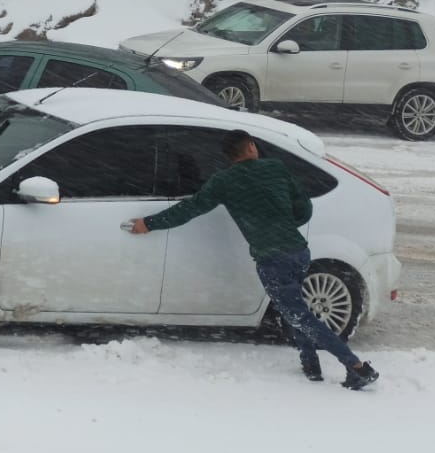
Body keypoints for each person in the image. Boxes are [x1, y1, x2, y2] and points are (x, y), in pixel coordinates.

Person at [128, 130, 379, 390]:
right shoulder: (275, 167)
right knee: (295, 310)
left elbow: (190, 209)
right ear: (250, 147)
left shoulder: (223, 182)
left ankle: (356, 367)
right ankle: (310, 363)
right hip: (298, 251)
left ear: (231, 155)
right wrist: (283, 225)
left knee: (299, 314)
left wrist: (149, 223)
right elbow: (304, 208)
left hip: (271, 258)